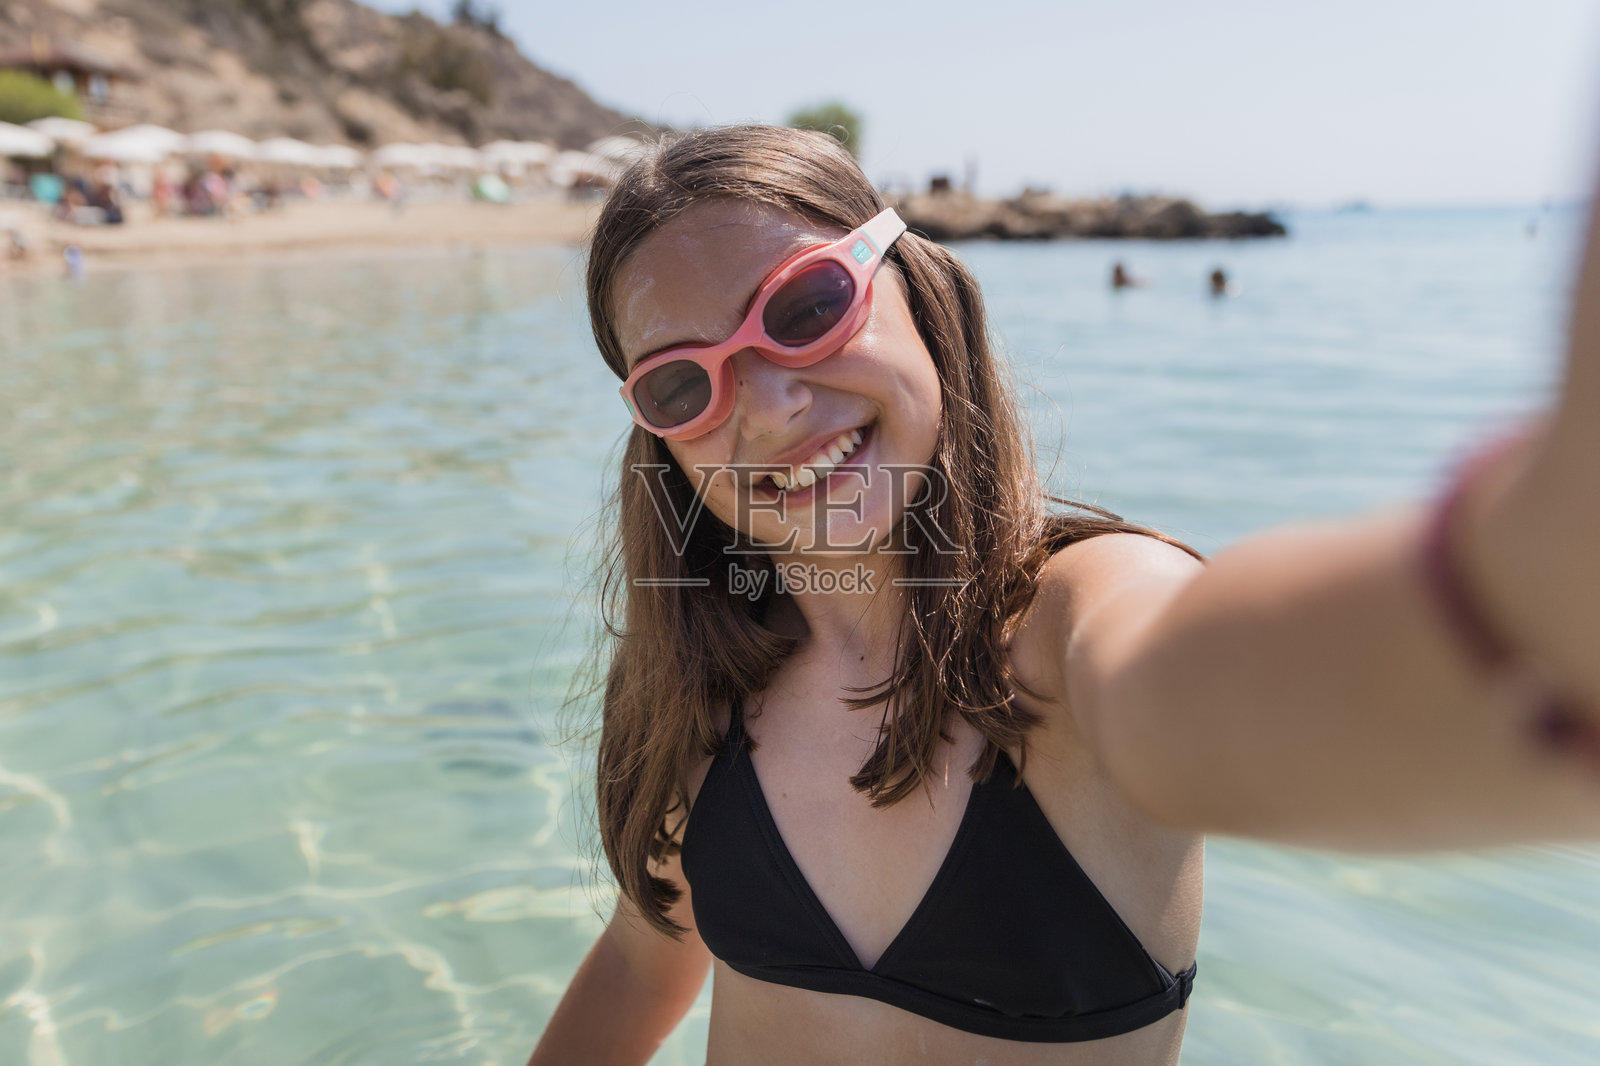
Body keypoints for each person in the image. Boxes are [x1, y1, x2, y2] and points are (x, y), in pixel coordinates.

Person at [528, 125, 1600, 1065]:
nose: (765, 404)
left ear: (916, 289)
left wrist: (1531, 594)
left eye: (806, 305)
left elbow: (1242, 683)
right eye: (683, 381)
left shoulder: (1078, 626)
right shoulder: (696, 683)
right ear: (656, 435)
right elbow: (643, 956)